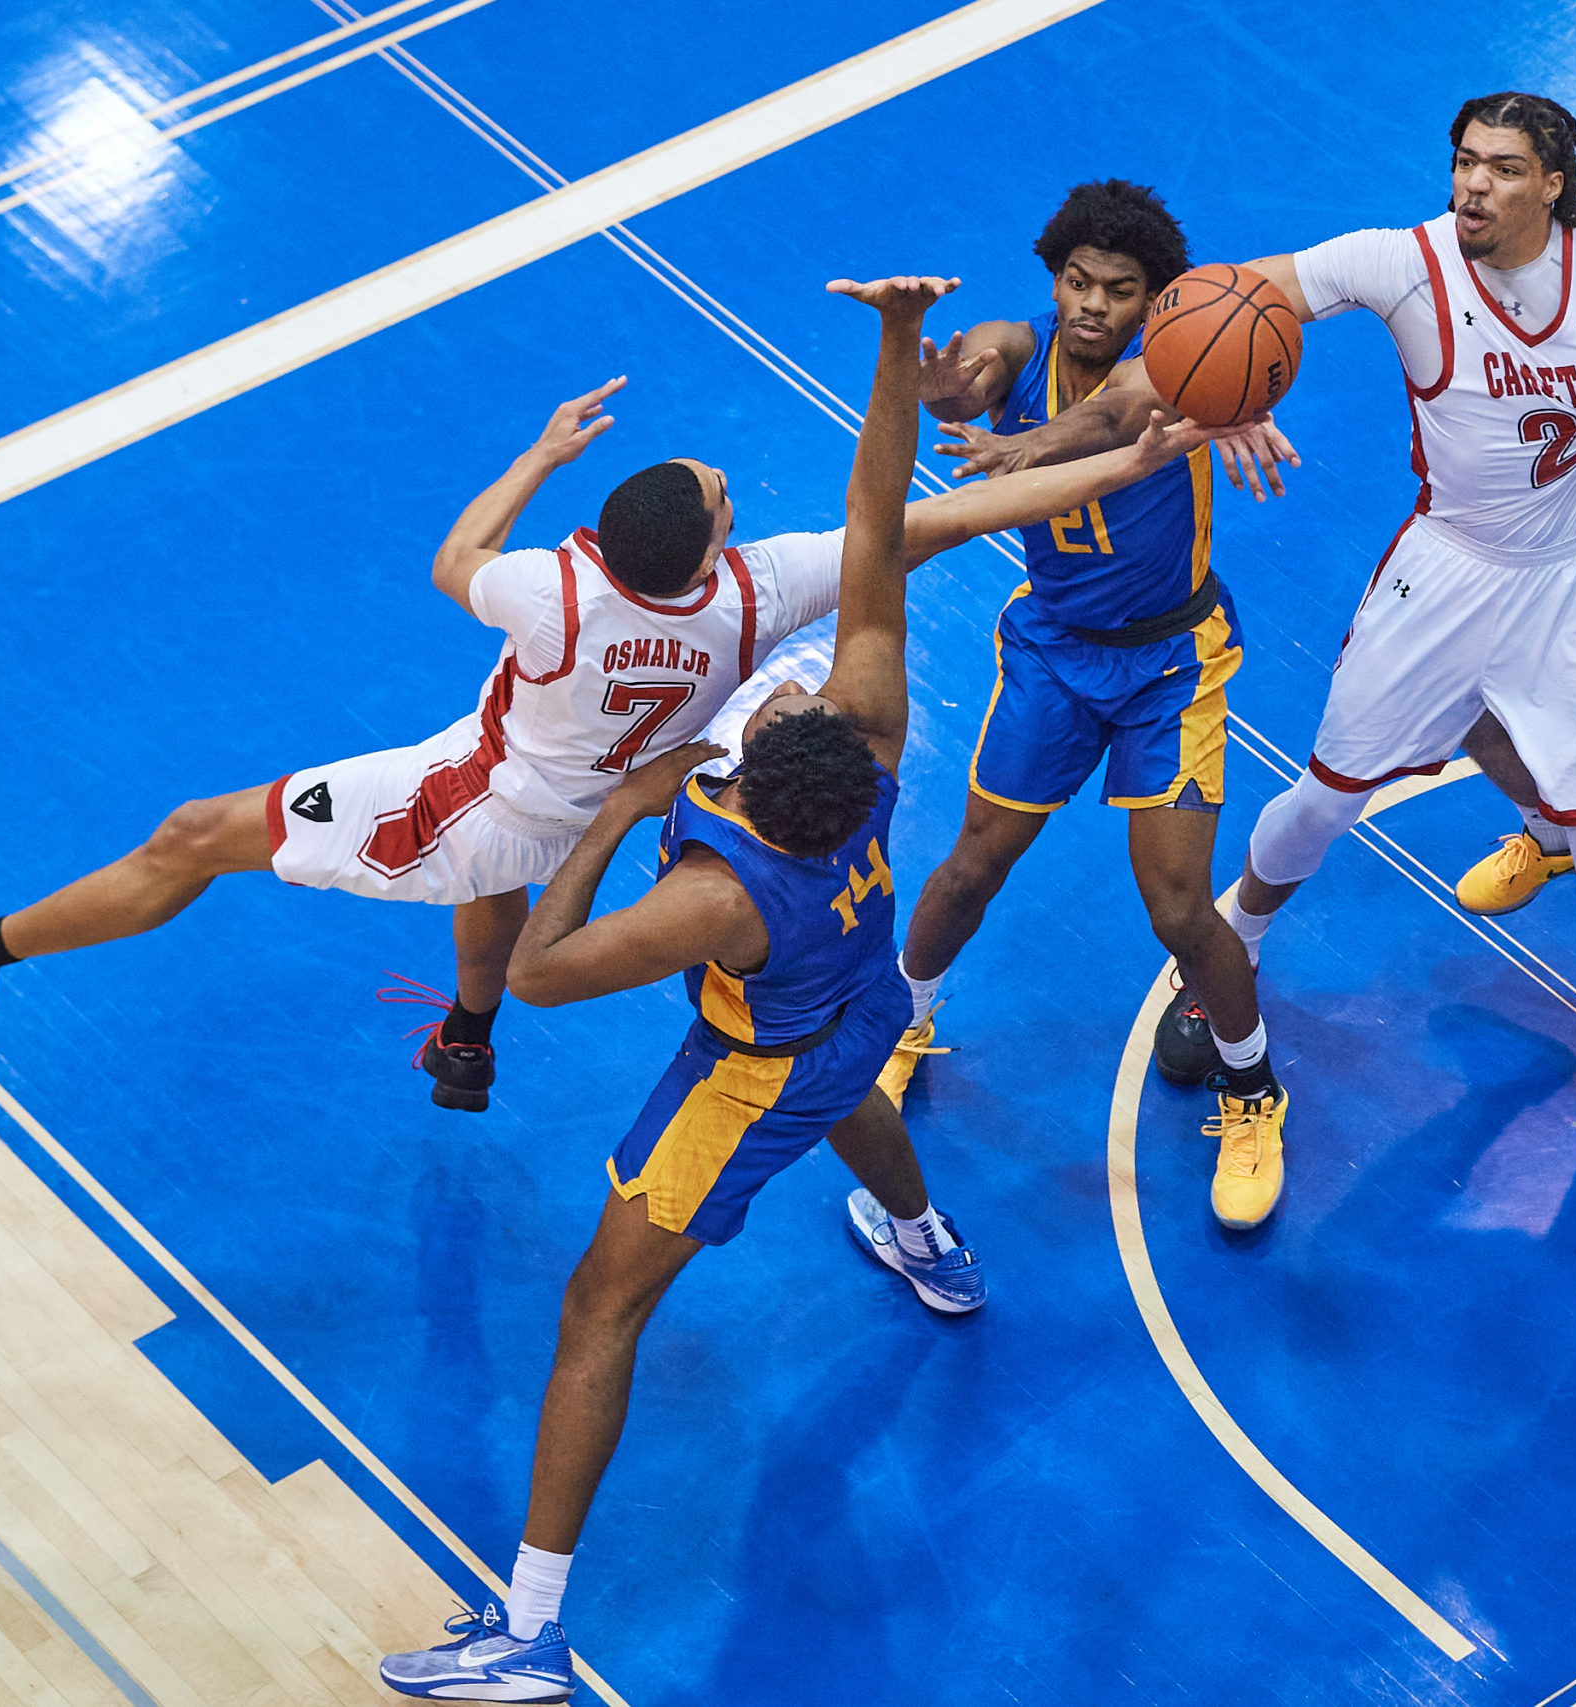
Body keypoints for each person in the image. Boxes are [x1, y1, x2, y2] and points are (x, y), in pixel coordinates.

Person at [376, 274, 1211, 1700]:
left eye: (766, 711)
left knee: (598, 1310)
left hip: (747, 1069)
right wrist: (898, 346)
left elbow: (539, 969)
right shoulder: (876, 736)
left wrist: (615, 809)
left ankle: (531, 1630)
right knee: (856, 1086)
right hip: (861, 1009)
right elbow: (879, 514)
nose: (775, 691)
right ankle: (927, 1235)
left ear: (751, 787)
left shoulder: (712, 891)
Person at [0, 373, 1212, 1113]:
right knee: (493, 872)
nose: (725, 484)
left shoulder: (552, 585)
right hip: (590, 796)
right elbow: (945, 522)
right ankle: (469, 1035)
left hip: (485, 792)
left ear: (605, 542)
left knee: (193, 832)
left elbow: (450, 555)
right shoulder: (763, 585)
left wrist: (542, 448)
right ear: (715, 549)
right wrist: (1138, 460)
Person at [955, 96, 1576, 1163]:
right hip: (1442, 575)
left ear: (1554, 184)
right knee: (1319, 806)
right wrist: (1213, 391)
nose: (1473, 184)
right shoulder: (1401, 264)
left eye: (1503, 169)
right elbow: (1222, 305)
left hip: (1573, 587)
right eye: (1464, 163)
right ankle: (1226, 959)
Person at [890, 178, 1292, 1230]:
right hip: (1055, 653)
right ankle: (901, 1020)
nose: (1091, 304)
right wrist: (941, 387)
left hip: (1173, 666)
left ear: (1153, 302)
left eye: (1118, 290)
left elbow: (1115, 415)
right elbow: (970, 377)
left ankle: (1253, 1093)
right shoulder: (1017, 347)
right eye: (1076, 282)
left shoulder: (1170, 368)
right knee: (973, 860)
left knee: (1174, 907)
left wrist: (1028, 448)